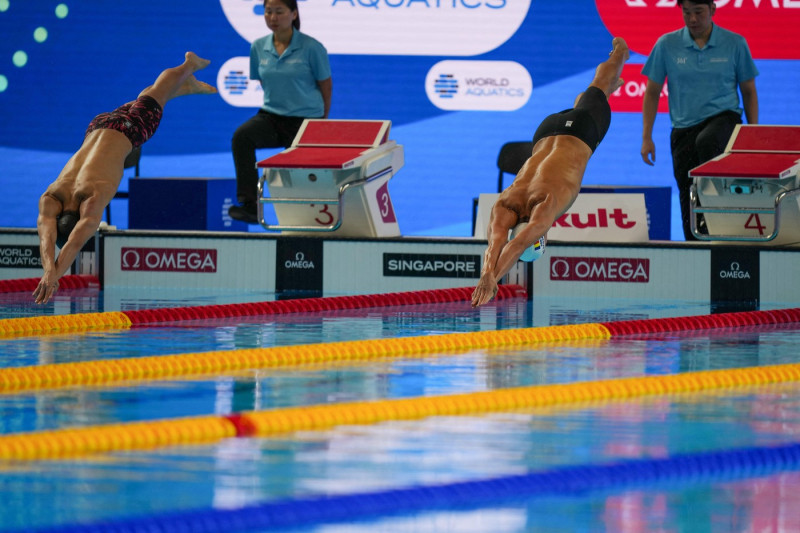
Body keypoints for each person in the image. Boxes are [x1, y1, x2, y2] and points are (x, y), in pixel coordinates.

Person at [34, 52, 217, 305]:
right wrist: (48, 272)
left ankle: (188, 65)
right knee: (151, 96)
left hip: (131, 132)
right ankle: (186, 86)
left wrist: (53, 276)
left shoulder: (93, 198)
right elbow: (46, 237)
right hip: (98, 125)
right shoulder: (52, 195)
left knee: (158, 90)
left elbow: (74, 243)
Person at [471, 37, 630, 308]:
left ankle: (619, 55)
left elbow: (519, 244)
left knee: (600, 84)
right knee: (592, 96)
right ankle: (608, 86)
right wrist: (487, 274)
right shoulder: (505, 202)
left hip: (581, 131)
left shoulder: (545, 206)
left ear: (542, 238)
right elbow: (496, 245)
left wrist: (495, 278)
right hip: (545, 131)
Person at [640, 0, 759, 241]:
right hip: (683, 129)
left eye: (698, 12)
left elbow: (748, 90)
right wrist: (646, 137)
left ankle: (726, 229)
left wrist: (753, 134)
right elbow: (652, 92)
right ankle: (696, 249)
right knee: (687, 192)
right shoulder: (667, 44)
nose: (693, 19)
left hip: (724, 120)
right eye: (687, 13)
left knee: (708, 142)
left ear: (713, 9)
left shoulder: (735, 43)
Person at [228, 0, 333, 224]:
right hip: (272, 116)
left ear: (294, 14)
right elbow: (267, 84)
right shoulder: (258, 46)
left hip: (306, 120)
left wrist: (321, 122)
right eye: (268, 12)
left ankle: (308, 218)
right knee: (242, 137)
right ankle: (250, 205)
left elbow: (325, 84)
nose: (273, 18)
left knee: (294, 173)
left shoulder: (312, 47)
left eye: (279, 12)